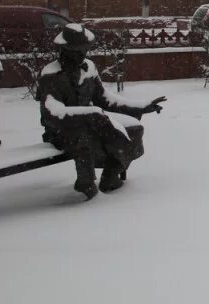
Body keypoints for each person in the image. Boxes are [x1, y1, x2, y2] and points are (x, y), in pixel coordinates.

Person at [36, 23, 167, 199]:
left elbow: (105, 99)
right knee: (85, 138)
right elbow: (52, 114)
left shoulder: (89, 67)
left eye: (84, 49)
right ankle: (86, 186)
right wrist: (89, 114)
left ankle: (110, 176)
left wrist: (142, 106)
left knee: (135, 129)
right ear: (65, 50)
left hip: (93, 121)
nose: (82, 54)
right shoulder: (50, 75)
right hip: (61, 131)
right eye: (77, 50)